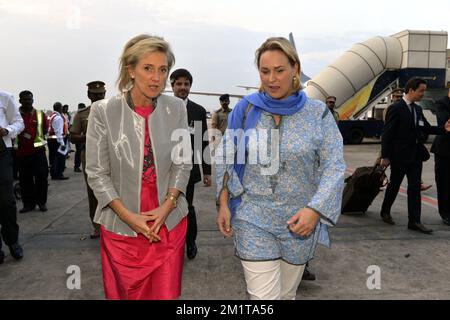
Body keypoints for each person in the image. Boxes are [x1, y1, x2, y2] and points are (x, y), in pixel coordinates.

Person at [215, 37, 346, 300]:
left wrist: (315, 209)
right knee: (264, 298)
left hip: (299, 221)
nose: (272, 79)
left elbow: (334, 165)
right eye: (265, 71)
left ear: (295, 68)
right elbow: (226, 156)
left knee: (286, 295)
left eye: (279, 70)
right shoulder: (245, 109)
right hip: (252, 216)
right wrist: (223, 202)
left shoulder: (317, 113)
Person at [85, 34, 192, 300]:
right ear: (130, 70)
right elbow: (97, 174)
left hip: (168, 222)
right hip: (121, 223)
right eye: (148, 68)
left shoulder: (177, 108)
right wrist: (129, 217)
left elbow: (183, 162)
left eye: (163, 69)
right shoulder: (103, 111)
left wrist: (167, 207)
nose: (157, 78)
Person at [380, 77, 450, 233]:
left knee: (414, 188)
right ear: (411, 90)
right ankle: (385, 211)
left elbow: (425, 127)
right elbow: (387, 134)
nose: (423, 94)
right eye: (421, 91)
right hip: (399, 156)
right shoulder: (396, 108)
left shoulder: (417, 109)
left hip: (415, 156)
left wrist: (443, 129)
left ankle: (414, 221)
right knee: (394, 185)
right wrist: (385, 156)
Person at [170, 68, 211, 260]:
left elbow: (203, 143)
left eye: (186, 84)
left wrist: (207, 171)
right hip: (166, 169)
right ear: (172, 86)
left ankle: (190, 241)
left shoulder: (198, 111)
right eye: (179, 84)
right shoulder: (162, 108)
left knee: (187, 207)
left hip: (189, 168)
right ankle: (171, 245)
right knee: (168, 207)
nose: (182, 87)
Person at [70, 82, 106, 239]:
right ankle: (97, 225)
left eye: (101, 94)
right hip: (91, 156)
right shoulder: (82, 114)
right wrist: (88, 136)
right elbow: (73, 136)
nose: (98, 97)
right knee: (93, 192)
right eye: (95, 94)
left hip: (112, 156)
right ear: (89, 95)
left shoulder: (113, 110)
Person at [0, 90, 25, 264]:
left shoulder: (4, 97)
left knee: (6, 201)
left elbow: (19, 122)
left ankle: (12, 240)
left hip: (1, 150)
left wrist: (6, 130)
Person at [16, 90, 49, 213]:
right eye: (25, 99)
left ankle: (41, 203)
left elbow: (45, 129)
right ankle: (28, 204)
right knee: (25, 180)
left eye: (29, 99)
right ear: (20, 101)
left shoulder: (40, 114)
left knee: (41, 178)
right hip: (21, 153)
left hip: (38, 152)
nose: (27, 102)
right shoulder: (15, 115)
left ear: (33, 100)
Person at [430, 86, 450, 226]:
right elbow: (444, 123)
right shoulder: (441, 103)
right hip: (444, 151)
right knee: (444, 183)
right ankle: (445, 213)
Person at [47, 102, 69, 180]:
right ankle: (59, 174)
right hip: (57, 140)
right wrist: (62, 144)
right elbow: (58, 132)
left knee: (53, 158)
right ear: (60, 108)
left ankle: (53, 174)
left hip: (51, 139)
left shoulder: (51, 116)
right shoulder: (58, 118)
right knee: (61, 157)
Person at [72, 103, 86, 173]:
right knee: (78, 152)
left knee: (81, 151)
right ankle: (76, 166)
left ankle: (79, 165)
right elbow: (72, 127)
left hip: (82, 137)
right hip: (78, 137)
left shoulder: (83, 115)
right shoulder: (76, 116)